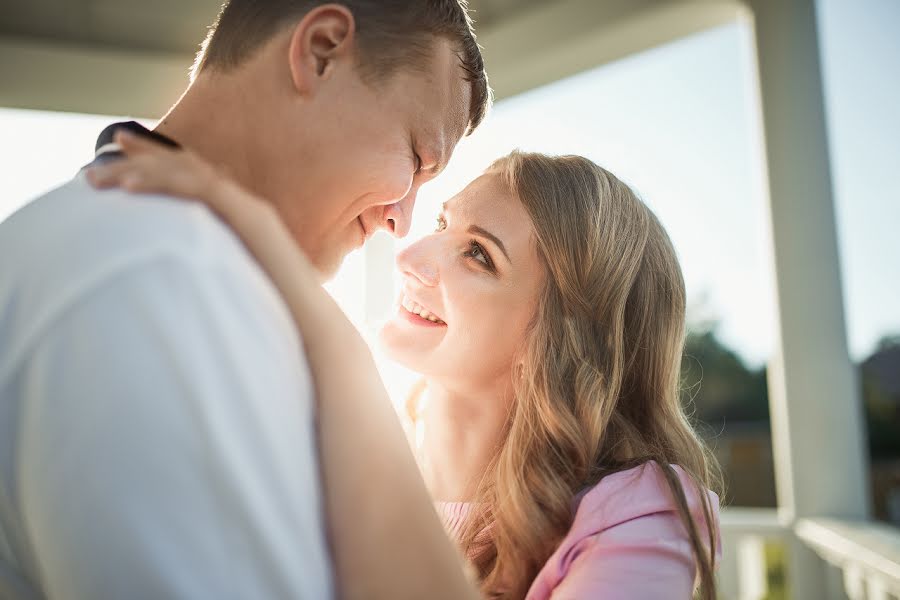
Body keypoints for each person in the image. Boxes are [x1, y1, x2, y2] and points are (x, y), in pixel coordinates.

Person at [87, 132, 724, 599]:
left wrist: (318, 322)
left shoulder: (641, 511)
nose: (412, 254)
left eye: (478, 255)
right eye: (444, 224)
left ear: (560, 340)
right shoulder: (322, 460)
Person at [0, 1, 489, 598]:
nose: (401, 221)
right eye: (415, 157)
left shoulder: (128, 253)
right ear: (321, 52)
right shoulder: (165, 280)